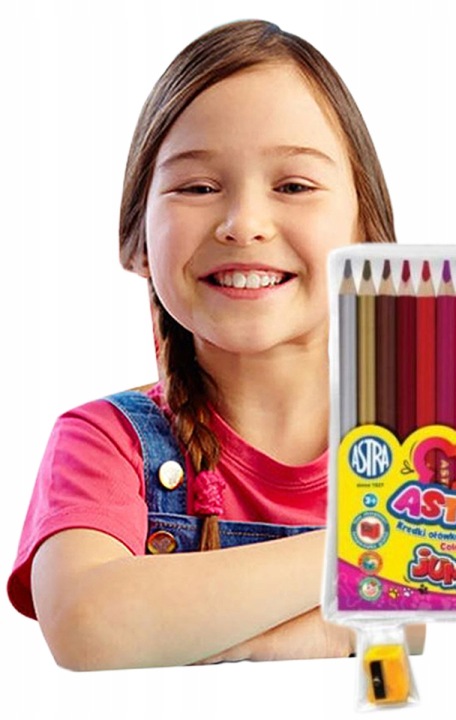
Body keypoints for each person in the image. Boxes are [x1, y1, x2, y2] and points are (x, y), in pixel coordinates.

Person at [7, 20, 420, 670]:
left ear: (368, 233)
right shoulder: (105, 442)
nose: (244, 224)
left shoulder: (432, 446)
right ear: (140, 241)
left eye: (293, 186)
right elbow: (89, 626)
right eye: (198, 188)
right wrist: (367, 553)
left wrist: (242, 640)